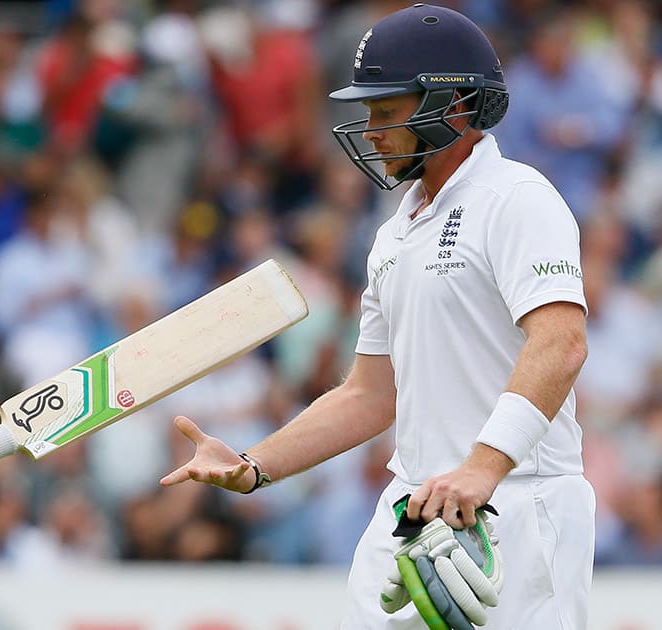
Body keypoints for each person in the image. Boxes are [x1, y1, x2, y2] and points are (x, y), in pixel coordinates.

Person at [160, 5, 594, 629]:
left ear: (454, 108)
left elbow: (562, 344)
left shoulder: (519, 200)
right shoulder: (393, 235)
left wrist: (483, 467)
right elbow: (369, 394)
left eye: (387, 111)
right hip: (412, 510)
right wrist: (255, 466)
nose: (371, 130)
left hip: (520, 502)